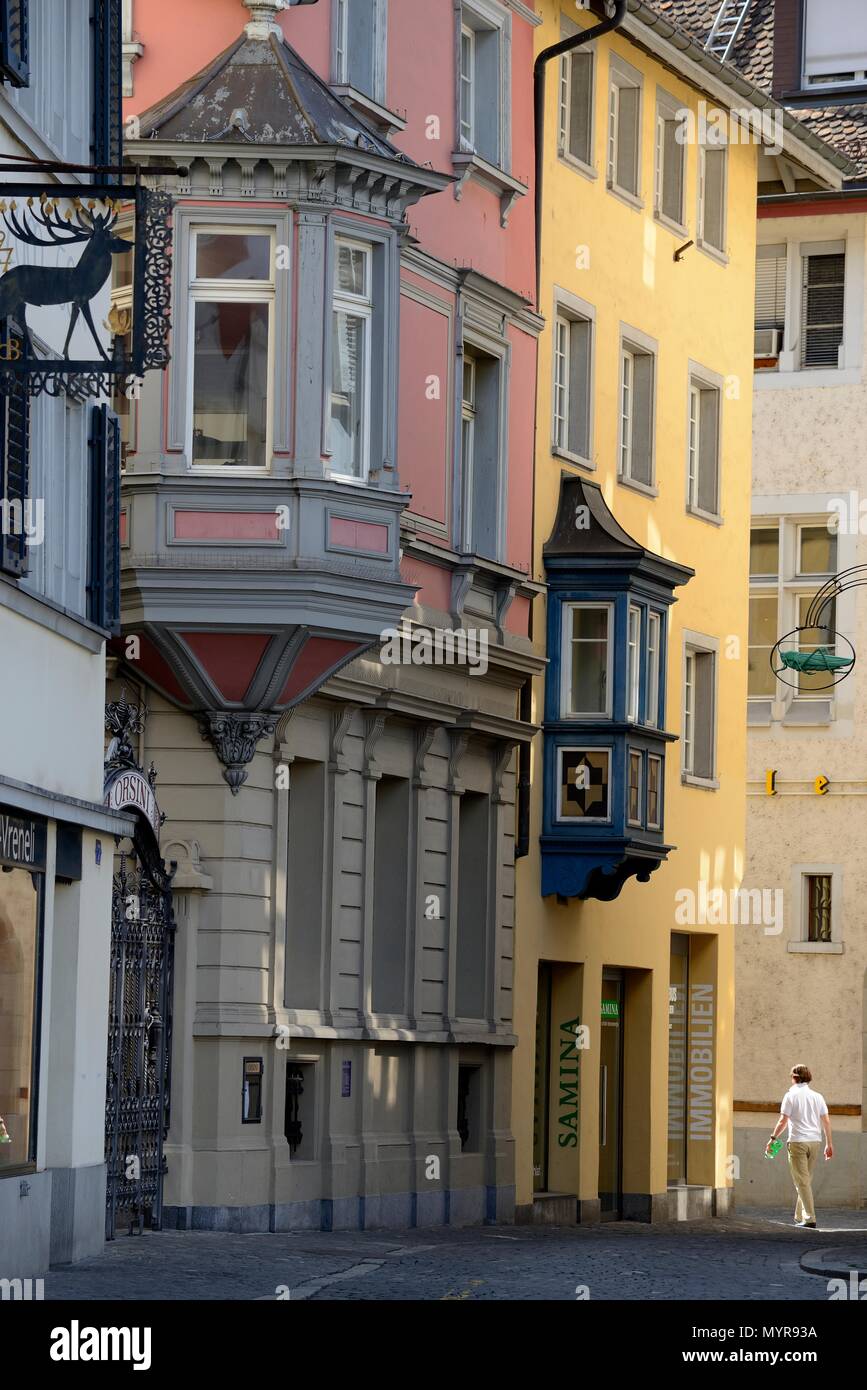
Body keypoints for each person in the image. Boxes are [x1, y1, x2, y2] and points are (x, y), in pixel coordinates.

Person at [765, 1064, 833, 1228]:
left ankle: (809, 1219)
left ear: (794, 1077)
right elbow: (826, 1121)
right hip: (815, 1142)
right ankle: (799, 1215)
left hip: (797, 1142)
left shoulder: (791, 1096)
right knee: (806, 1179)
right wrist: (829, 1144)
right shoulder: (818, 1096)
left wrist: (773, 1138)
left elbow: (783, 1120)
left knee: (801, 1181)